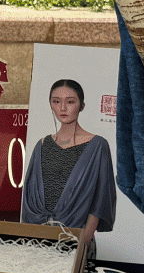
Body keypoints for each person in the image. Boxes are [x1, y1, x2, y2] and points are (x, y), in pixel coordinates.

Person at [19, 78, 116, 230]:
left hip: (76, 234)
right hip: (37, 233)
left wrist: (84, 238)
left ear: (82, 105)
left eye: (70, 102)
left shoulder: (97, 145)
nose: (63, 108)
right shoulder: (42, 145)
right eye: (56, 101)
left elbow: (101, 200)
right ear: (50, 104)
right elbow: (29, 198)